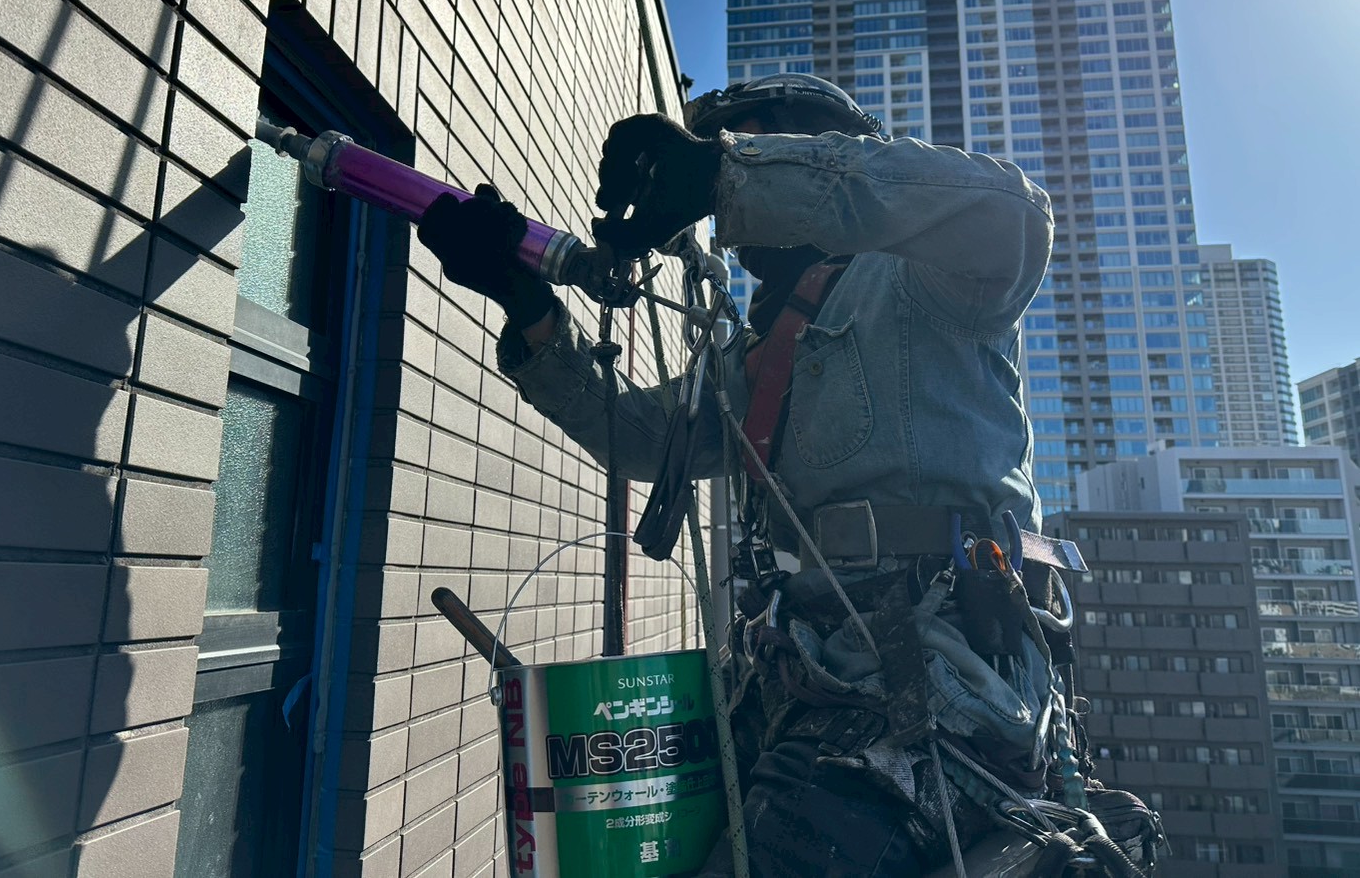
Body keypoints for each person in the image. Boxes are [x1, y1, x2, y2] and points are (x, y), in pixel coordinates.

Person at [418, 74, 1066, 875]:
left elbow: (1011, 217)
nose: (734, 207)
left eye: (751, 145)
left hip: (939, 683)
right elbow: (642, 441)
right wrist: (530, 312)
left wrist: (728, 173)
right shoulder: (761, 351)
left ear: (819, 146)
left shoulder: (919, 279)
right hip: (808, 675)